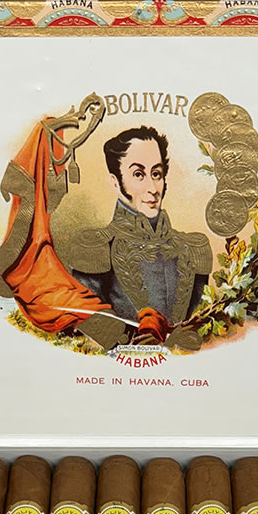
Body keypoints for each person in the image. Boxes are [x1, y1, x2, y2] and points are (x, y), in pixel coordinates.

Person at [64, 126, 212, 350]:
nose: (152, 188)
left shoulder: (192, 247)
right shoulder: (96, 246)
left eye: (156, 174)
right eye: (138, 175)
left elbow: (202, 327)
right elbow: (88, 328)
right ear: (115, 182)